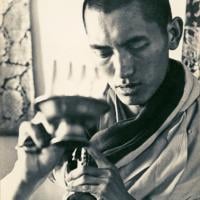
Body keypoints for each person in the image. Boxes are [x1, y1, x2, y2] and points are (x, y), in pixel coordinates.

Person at [1, 0, 200, 199]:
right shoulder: (70, 114)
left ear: (173, 33)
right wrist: (25, 178)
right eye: (104, 53)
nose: (123, 71)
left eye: (137, 45)